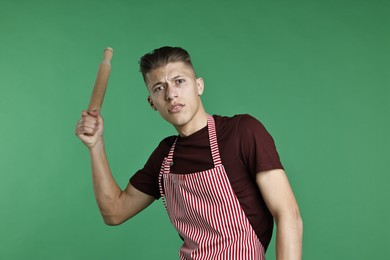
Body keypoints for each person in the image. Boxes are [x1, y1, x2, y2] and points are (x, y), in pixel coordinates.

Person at [75, 46, 303, 259]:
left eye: (179, 81)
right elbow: (114, 212)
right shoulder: (165, 157)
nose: (171, 94)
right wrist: (95, 146)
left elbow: (288, 215)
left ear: (199, 85)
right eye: (159, 88)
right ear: (152, 102)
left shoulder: (242, 132)